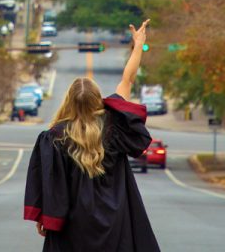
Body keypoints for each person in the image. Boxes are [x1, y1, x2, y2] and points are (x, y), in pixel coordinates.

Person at [23, 20, 160, 251]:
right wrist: (138, 45)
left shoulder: (54, 138)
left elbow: (50, 184)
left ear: (68, 100)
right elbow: (128, 79)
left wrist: (44, 218)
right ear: (98, 100)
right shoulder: (116, 126)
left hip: (73, 228)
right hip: (116, 223)